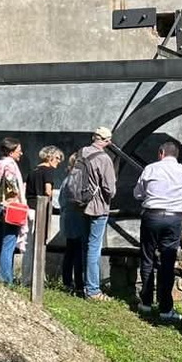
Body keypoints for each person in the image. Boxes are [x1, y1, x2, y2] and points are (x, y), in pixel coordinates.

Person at [134, 140, 182, 320]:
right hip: (173, 218)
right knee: (168, 262)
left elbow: (137, 193)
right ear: (176, 155)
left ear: (161, 153)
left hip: (151, 216)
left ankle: (146, 303)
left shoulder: (150, 169)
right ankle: (165, 309)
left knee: (147, 258)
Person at [78, 127, 117, 301]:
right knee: (94, 248)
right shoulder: (104, 158)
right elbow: (110, 189)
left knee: (84, 246)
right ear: (107, 141)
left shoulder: (81, 152)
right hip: (98, 207)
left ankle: (82, 284)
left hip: (81, 205)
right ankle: (93, 290)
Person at [22, 145, 63, 286]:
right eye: (57, 158)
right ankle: (35, 279)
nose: (58, 161)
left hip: (29, 208)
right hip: (39, 210)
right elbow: (47, 191)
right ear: (49, 157)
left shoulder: (33, 170)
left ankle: (26, 277)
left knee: (29, 244)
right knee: (39, 244)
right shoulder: (48, 171)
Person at [0, 137, 26, 285]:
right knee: (8, 244)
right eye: (18, 151)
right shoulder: (10, 166)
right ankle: (5, 280)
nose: (21, 153)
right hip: (9, 207)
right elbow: (11, 185)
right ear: (11, 152)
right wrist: (16, 197)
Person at [59, 153, 84, 296]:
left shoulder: (67, 179)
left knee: (70, 251)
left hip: (68, 217)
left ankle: (67, 282)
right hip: (78, 217)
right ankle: (79, 284)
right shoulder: (77, 178)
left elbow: (61, 200)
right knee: (78, 252)